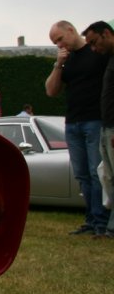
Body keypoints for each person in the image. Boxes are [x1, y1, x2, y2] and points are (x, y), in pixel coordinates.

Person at [46, 20, 109, 236]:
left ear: (71, 30)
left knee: (96, 172)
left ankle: (102, 221)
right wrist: (58, 64)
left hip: (95, 121)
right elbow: (51, 91)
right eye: (55, 43)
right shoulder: (67, 60)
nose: (59, 45)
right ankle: (91, 220)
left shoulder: (97, 52)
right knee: (82, 175)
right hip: (72, 123)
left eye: (60, 39)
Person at [82, 20, 114, 239]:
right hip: (106, 126)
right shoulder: (109, 59)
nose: (94, 49)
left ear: (107, 34)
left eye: (94, 42)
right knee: (109, 179)